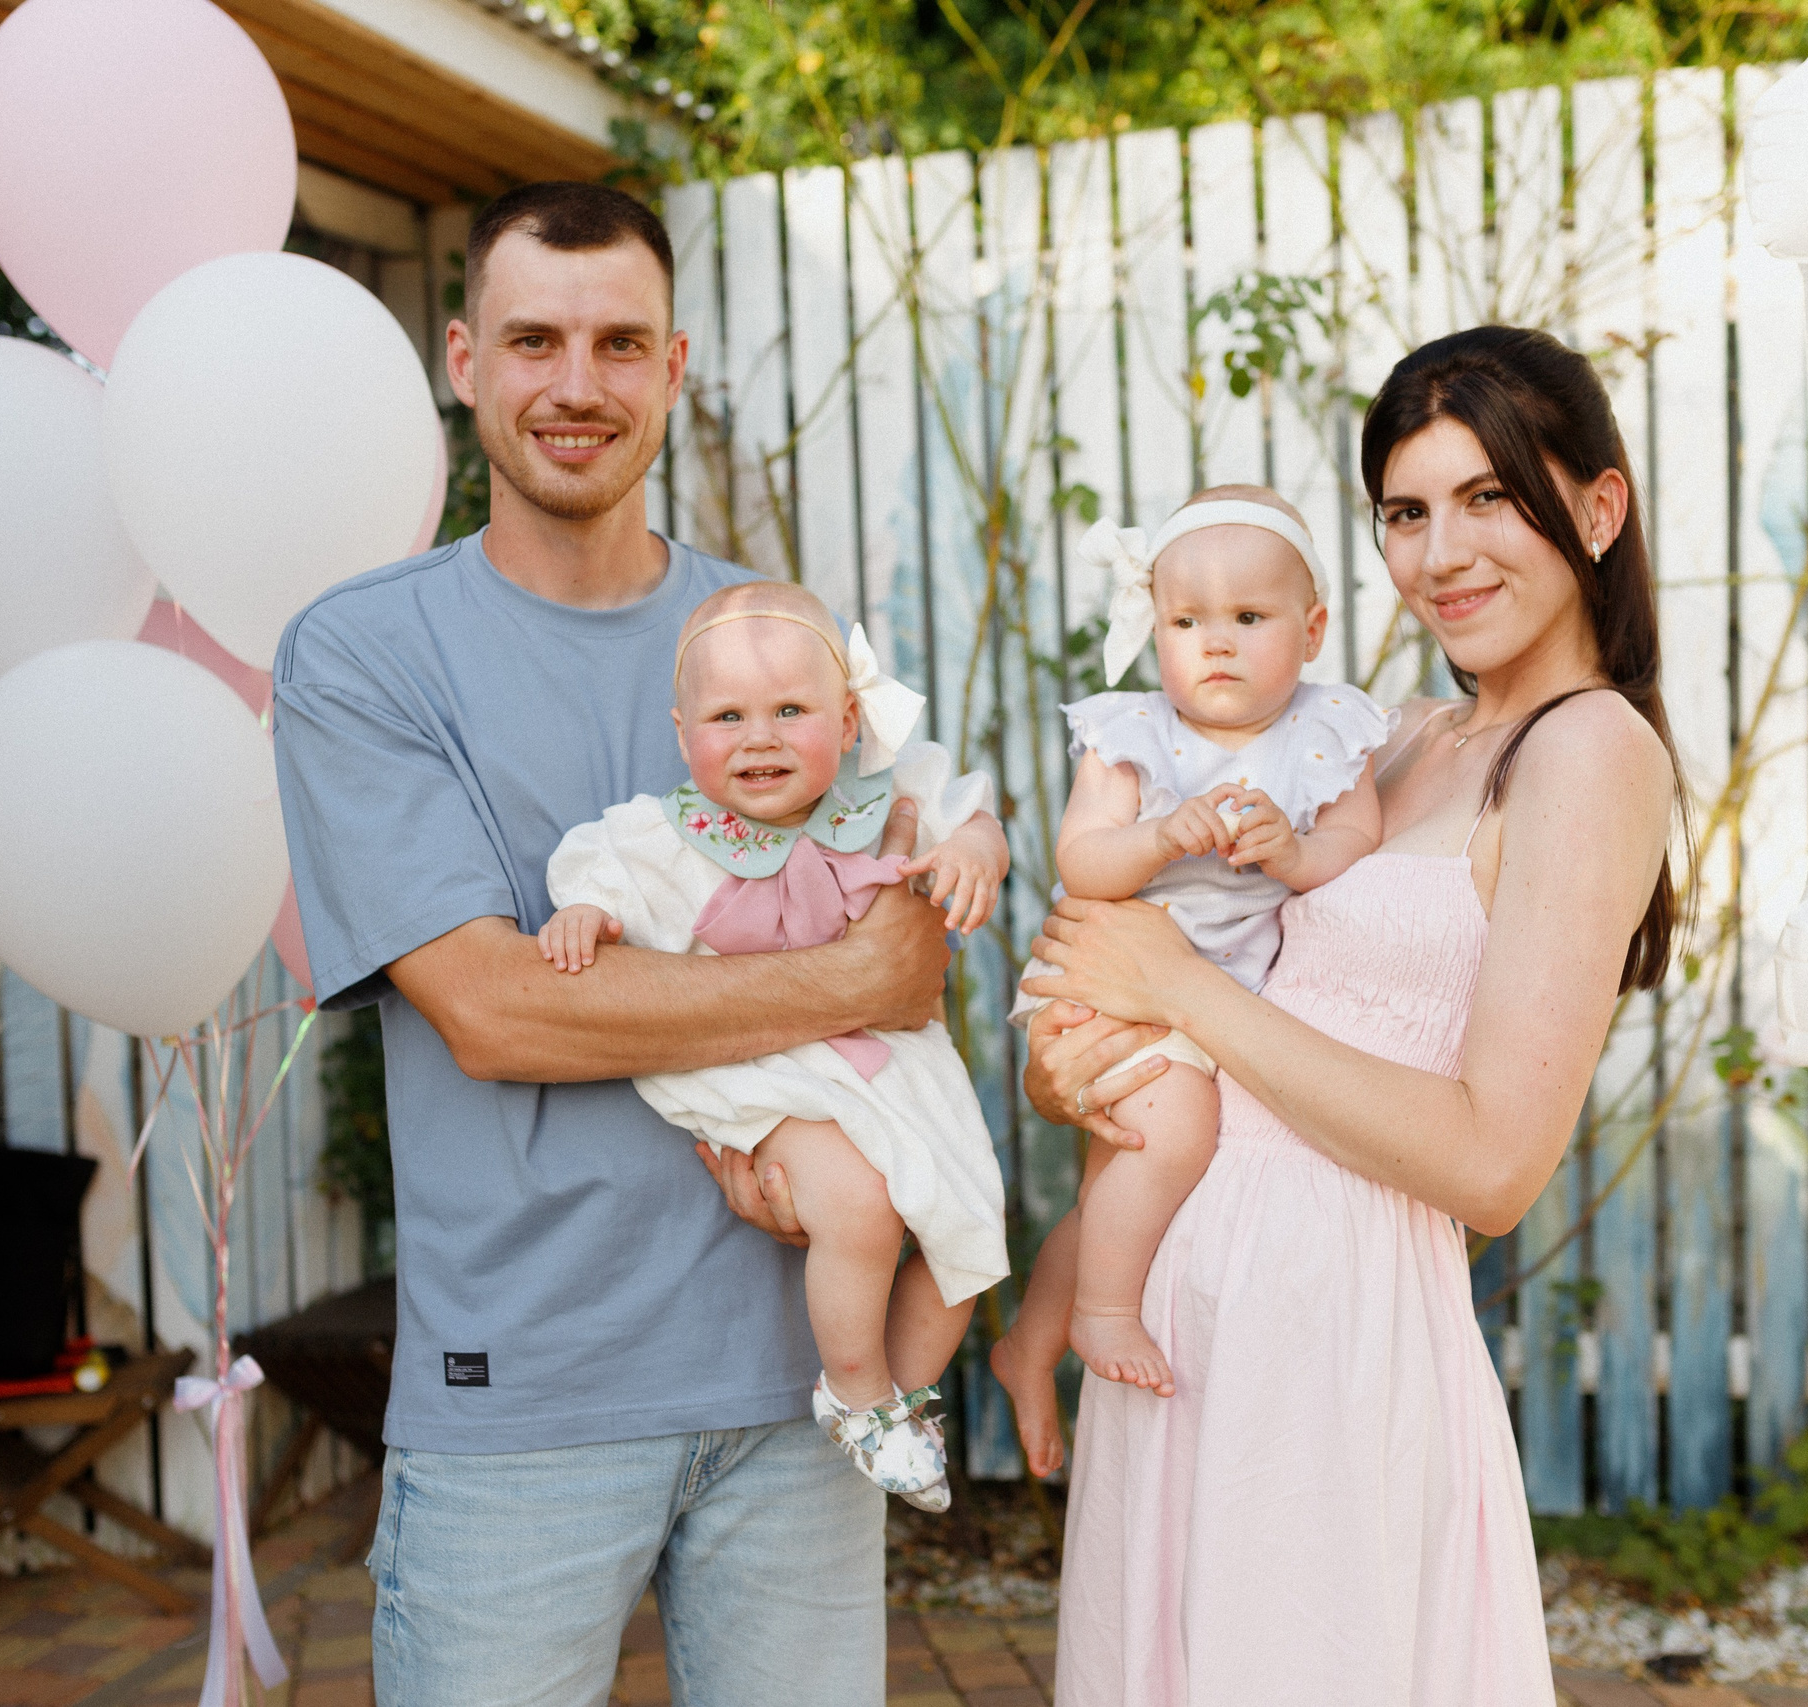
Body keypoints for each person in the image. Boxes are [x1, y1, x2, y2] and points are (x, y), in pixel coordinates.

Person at [272, 181, 953, 1707]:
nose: (576, 384)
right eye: (533, 339)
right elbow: (502, 1012)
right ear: (463, 358)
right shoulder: (365, 652)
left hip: (798, 1388)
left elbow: (919, 951)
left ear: (676, 365)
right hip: (525, 1394)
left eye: (618, 342)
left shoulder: (774, 638)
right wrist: (843, 978)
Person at [1019, 325, 1685, 1704]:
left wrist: (1174, 985)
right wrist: (1081, 1061)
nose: (1444, 552)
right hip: (1182, 1312)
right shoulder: (1379, 737)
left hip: (1327, 1339)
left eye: (1491, 496)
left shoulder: (1591, 753)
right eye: (1407, 510)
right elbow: (1202, 1015)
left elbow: (1494, 1161)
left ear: (1599, 508)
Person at [537, 580, 1012, 1510]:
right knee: (861, 1204)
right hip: (759, 1064)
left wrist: (974, 855)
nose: (758, 736)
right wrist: (588, 909)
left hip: (886, 1058)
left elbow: (974, 816)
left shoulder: (883, 798)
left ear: (846, 720)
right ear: (684, 734)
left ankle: (897, 1404)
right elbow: (598, 862)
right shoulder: (671, 834)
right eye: (727, 716)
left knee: (970, 1226)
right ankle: (854, 1381)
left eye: (789, 710)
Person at [990, 484, 1388, 1475]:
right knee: (1172, 1134)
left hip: (1205, 996)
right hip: (1118, 983)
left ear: (1311, 629)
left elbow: (1356, 833)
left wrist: (1294, 854)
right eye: (1184, 621)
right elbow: (1082, 863)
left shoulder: (1327, 728)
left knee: (1110, 1190)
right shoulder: (1131, 734)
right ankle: (1101, 1314)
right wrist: (1160, 834)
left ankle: (1025, 1341)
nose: (1213, 644)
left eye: (1247, 619)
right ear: (1153, 625)